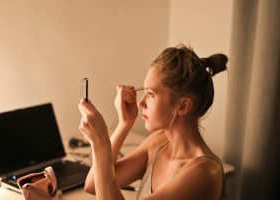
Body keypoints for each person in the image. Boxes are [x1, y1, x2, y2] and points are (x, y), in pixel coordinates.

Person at [78, 44, 228, 200]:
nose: (140, 103)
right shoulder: (158, 143)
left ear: (183, 106)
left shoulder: (204, 172)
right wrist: (124, 124)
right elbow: (93, 185)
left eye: (150, 94)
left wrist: (101, 144)